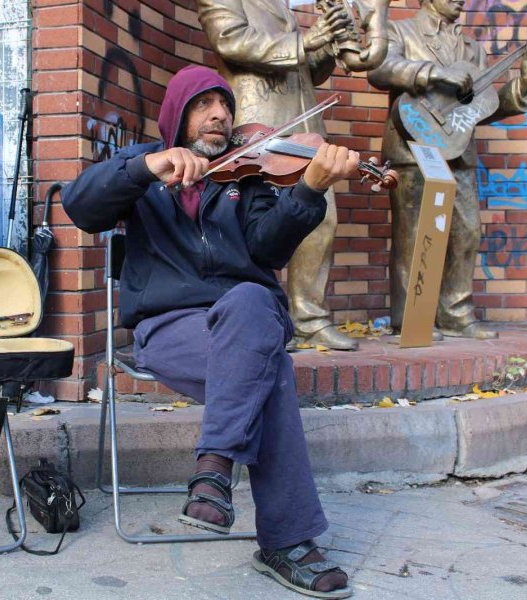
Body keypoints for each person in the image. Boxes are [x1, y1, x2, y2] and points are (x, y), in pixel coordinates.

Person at [62, 65, 358, 599]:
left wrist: (310, 191)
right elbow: (80, 205)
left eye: (225, 105)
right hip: (170, 328)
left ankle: (213, 473)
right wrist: (147, 168)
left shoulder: (250, 177)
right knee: (272, 372)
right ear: (178, 115)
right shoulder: (141, 168)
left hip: (246, 320)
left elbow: (269, 252)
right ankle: (288, 544)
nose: (220, 114)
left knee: (250, 299)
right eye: (204, 104)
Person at [196, 0, 391, 351]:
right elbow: (230, 41)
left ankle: (310, 319)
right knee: (256, 227)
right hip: (257, 128)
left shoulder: (282, 6)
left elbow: (307, 72)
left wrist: (328, 45)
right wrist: (307, 40)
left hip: (302, 127)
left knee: (322, 219)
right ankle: (258, 321)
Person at [367, 0, 527, 339]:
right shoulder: (401, 30)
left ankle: (456, 313)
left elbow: (481, 107)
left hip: (459, 151)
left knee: (467, 231)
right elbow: (379, 68)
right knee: (414, 235)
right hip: (412, 144)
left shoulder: (472, 49)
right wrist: (434, 73)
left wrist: (523, 84)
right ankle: (412, 319)